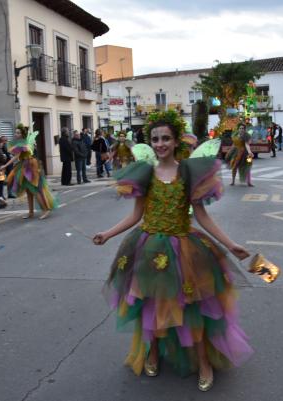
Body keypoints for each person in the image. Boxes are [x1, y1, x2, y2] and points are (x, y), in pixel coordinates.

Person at [93, 111, 254, 392]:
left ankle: (204, 363)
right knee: (152, 302)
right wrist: (107, 234)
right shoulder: (144, 173)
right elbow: (136, 216)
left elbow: (202, 216)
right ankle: (153, 350)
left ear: (176, 140)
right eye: (155, 139)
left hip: (185, 248)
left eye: (165, 138)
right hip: (148, 247)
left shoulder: (189, 172)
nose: (160, 144)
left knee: (196, 307)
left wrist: (230, 244)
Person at [1, 125, 56, 219]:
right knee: (28, 191)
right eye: (16, 132)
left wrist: (6, 165)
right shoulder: (21, 143)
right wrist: (6, 165)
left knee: (35, 190)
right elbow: (17, 156)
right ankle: (31, 212)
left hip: (31, 167)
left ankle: (46, 210)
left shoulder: (25, 143)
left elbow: (18, 155)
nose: (16, 134)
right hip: (23, 166)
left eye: (18, 132)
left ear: (23, 134)